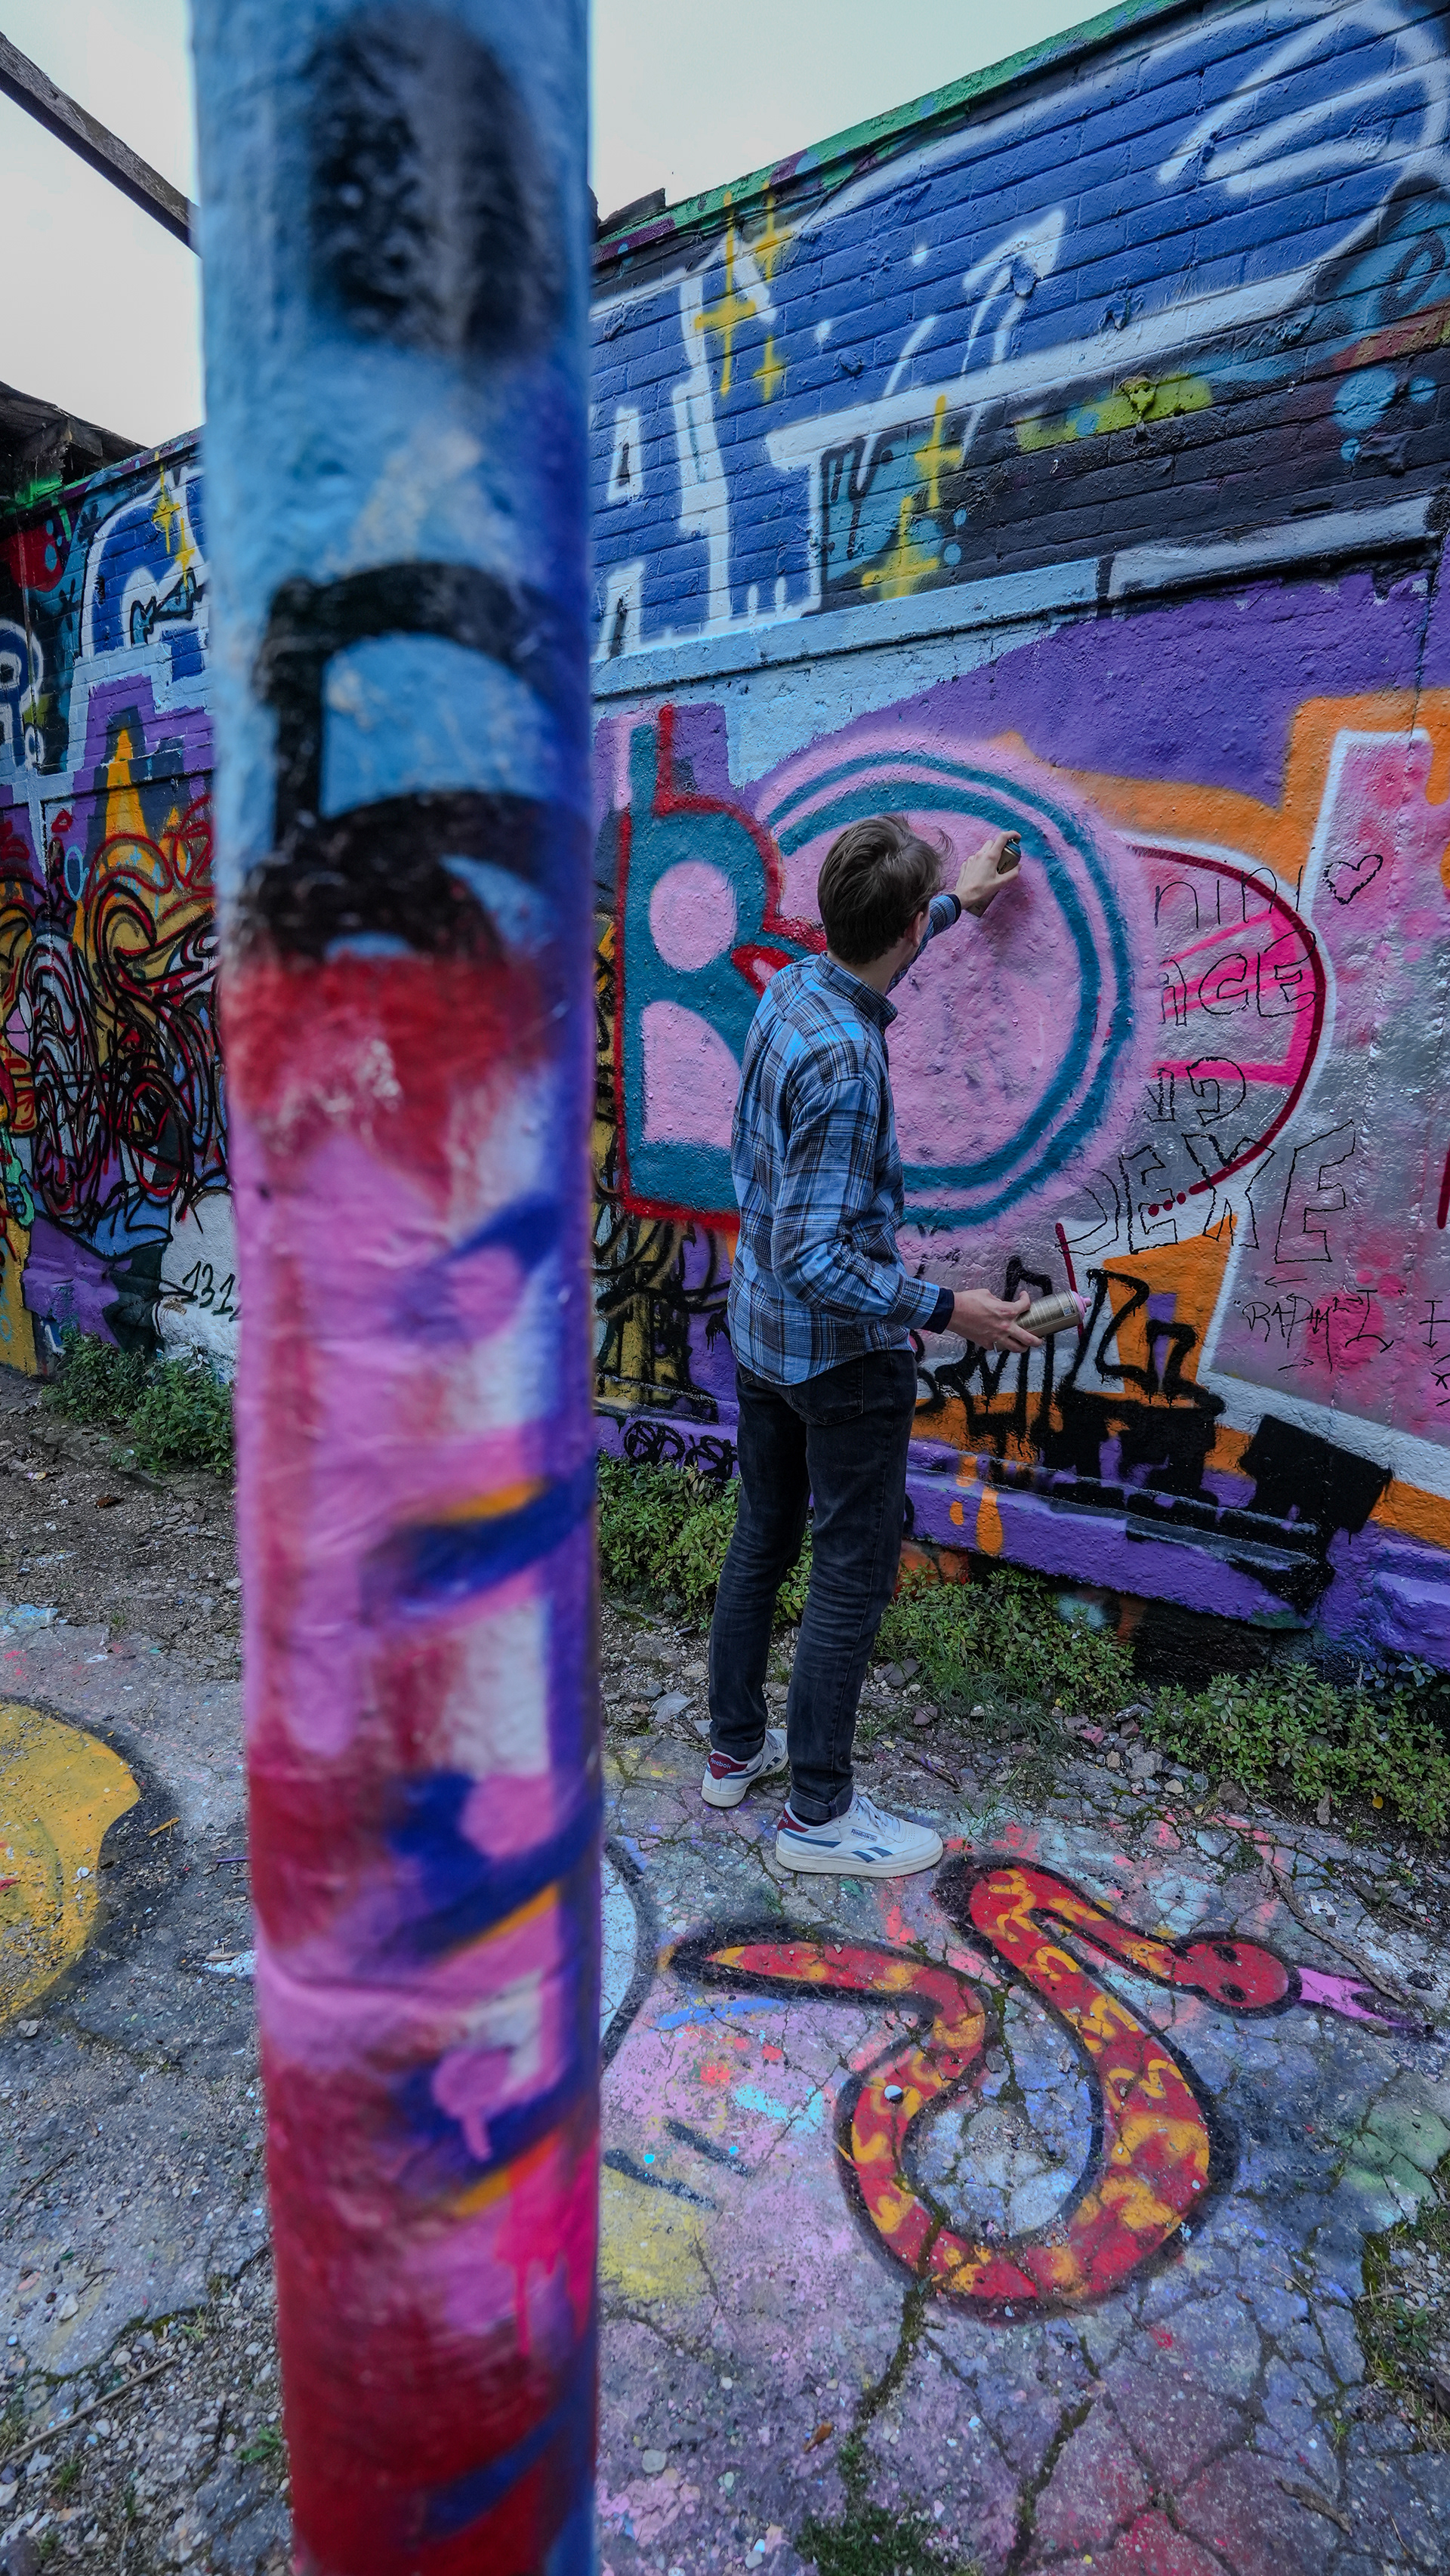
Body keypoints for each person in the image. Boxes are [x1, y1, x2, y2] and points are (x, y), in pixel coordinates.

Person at [702, 812, 1038, 1877]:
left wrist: (958, 901)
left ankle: (732, 1751)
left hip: (763, 1337)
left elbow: (876, 949)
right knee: (848, 1573)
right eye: (921, 914)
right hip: (841, 1359)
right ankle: (819, 1817)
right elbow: (818, 1256)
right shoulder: (848, 1061)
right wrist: (949, 1310)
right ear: (895, 926)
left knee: (762, 1534)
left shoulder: (800, 984)